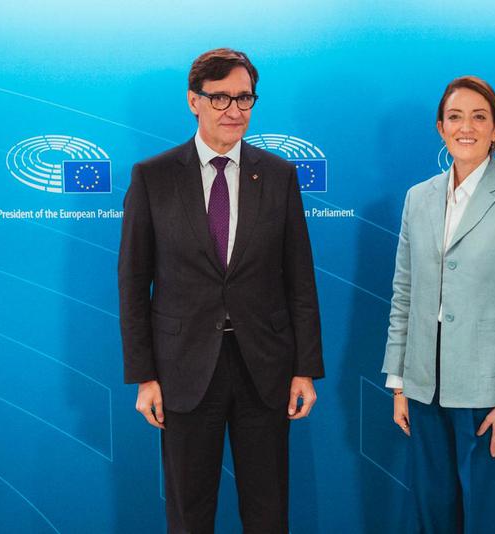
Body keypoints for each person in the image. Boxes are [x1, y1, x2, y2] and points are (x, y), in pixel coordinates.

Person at [119, 48, 324, 534]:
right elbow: (132, 282)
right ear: (194, 101)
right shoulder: (153, 177)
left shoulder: (278, 176)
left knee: (268, 512)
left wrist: (305, 370)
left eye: (245, 98)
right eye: (221, 99)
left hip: (265, 367)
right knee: (189, 515)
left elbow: (300, 279)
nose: (235, 110)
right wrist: (145, 376)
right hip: (184, 370)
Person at [381, 76, 495, 533]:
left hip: (489, 393)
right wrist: (399, 382)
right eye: (455, 117)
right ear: (440, 127)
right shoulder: (419, 198)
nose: (466, 127)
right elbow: (404, 294)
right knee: (433, 514)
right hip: (423, 385)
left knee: (489, 516)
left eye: (479, 117)